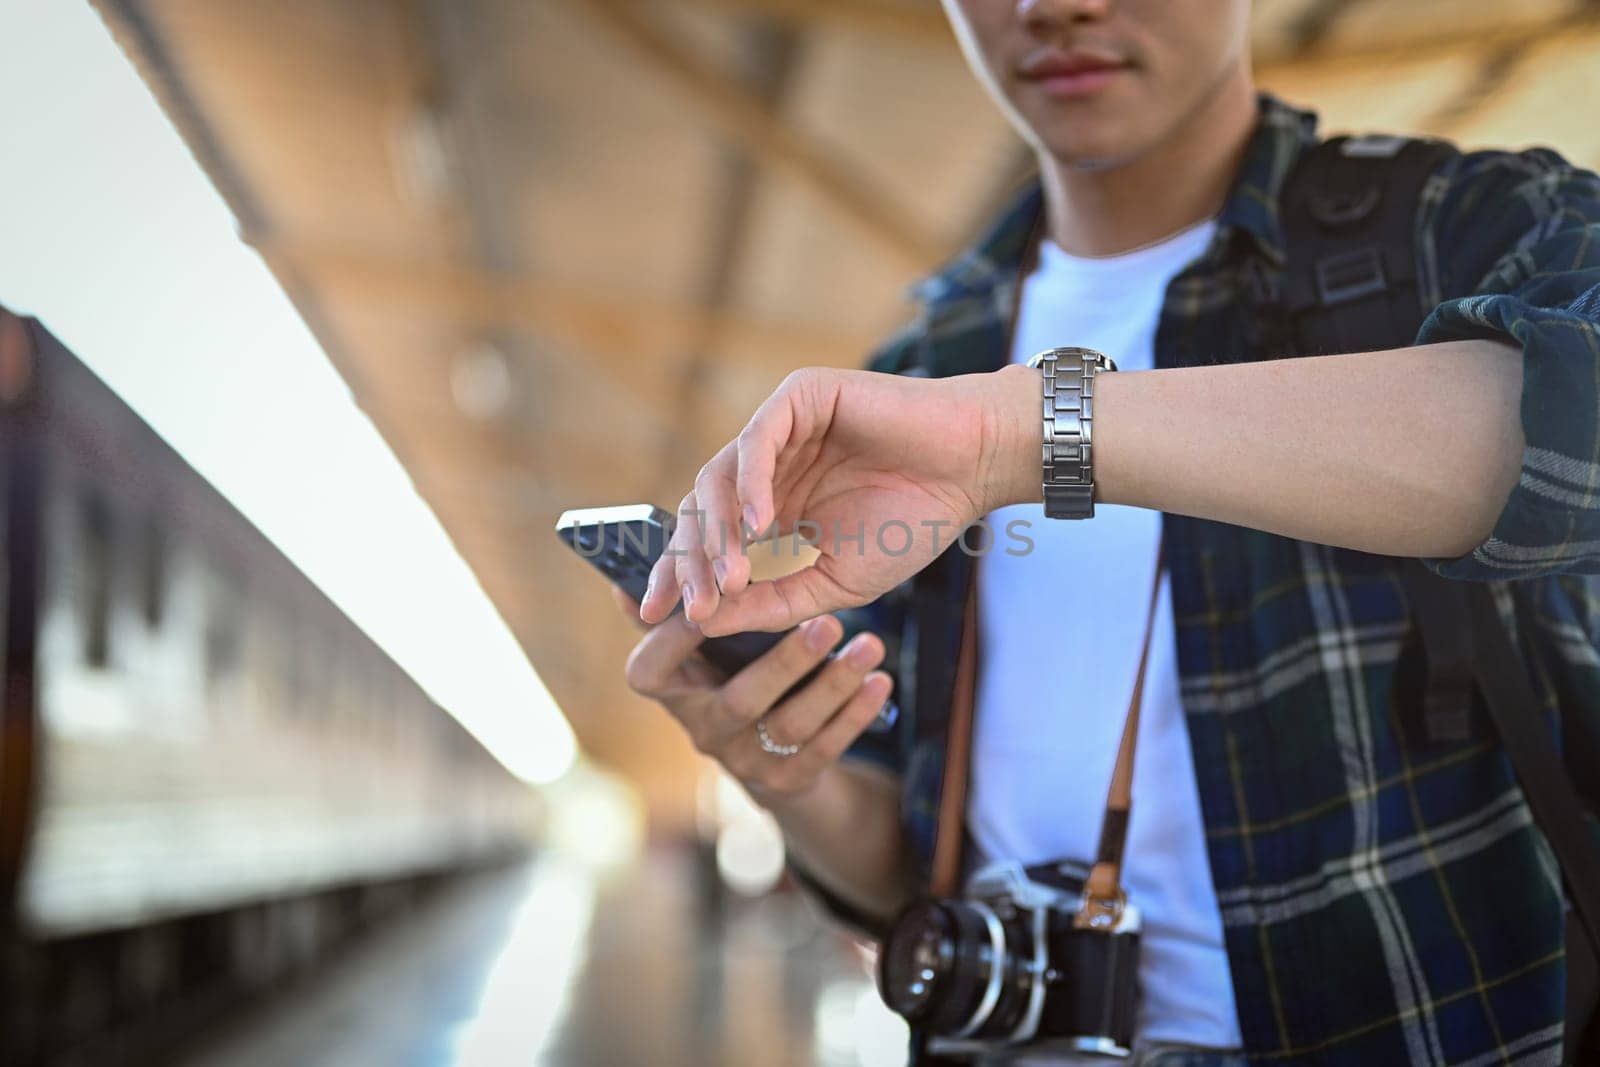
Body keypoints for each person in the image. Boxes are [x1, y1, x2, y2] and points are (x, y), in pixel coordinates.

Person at [620, 1, 1600, 1063]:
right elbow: (912, 869)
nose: (1055, 6)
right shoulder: (925, 353)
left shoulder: (1463, 224)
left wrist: (1024, 436)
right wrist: (783, 773)